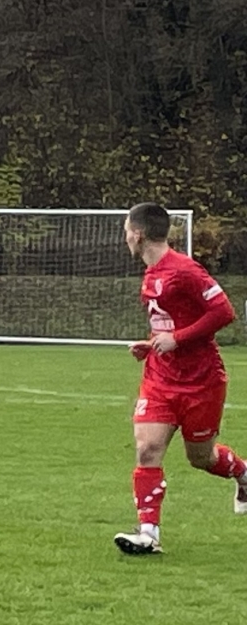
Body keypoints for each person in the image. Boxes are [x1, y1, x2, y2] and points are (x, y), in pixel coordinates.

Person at [114, 202, 247, 556]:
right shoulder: (151, 273)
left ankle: (243, 474)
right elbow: (170, 322)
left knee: (201, 458)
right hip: (160, 377)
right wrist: (152, 344)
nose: (125, 237)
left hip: (202, 380)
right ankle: (148, 534)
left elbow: (224, 312)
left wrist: (178, 339)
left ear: (139, 234)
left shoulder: (184, 270)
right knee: (147, 449)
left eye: (127, 230)